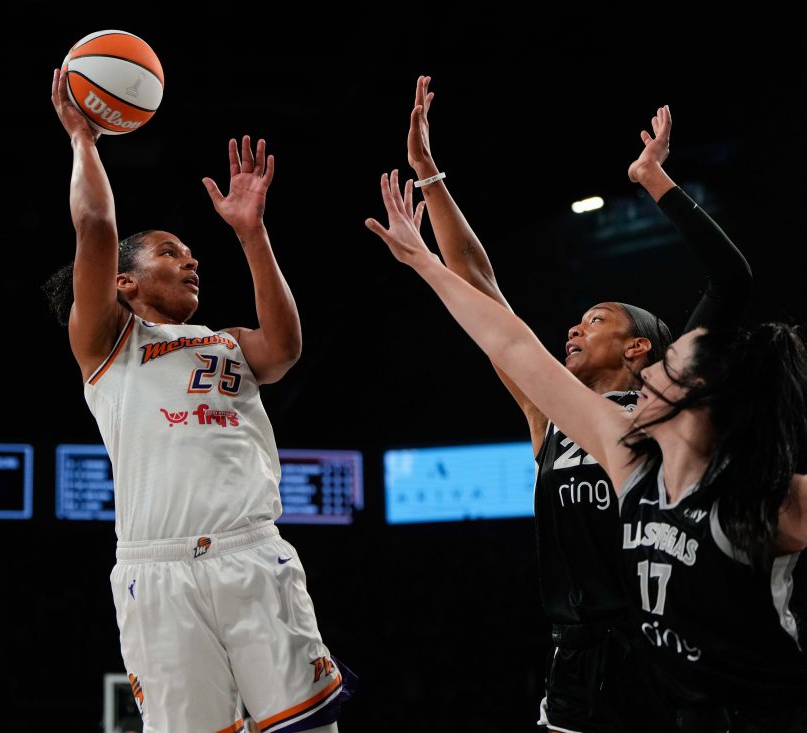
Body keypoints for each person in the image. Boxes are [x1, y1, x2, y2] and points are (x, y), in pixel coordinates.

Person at [366, 159, 807, 731]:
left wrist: (656, 181)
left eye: (596, 320)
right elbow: (492, 309)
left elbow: (730, 282)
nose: (574, 328)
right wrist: (430, 181)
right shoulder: (564, 417)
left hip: (673, 650)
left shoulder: (669, 432)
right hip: (581, 651)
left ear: (641, 350)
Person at [45, 69, 352, 733]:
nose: (191, 262)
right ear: (125, 282)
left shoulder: (228, 341)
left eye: (192, 255)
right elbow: (96, 224)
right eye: (170, 252)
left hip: (250, 554)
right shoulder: (106, 342)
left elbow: (285, 346)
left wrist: (251, 234)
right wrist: (84, 140)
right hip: (155, 572)